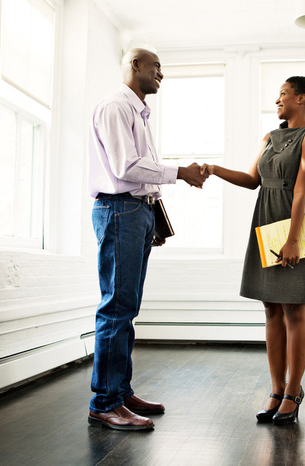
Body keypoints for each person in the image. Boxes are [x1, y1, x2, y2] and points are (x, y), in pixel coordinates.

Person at [87, 48, 207, 431]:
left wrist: (152, 215)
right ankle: (104, 403)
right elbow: (126, 168)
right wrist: (181, 172)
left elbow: (139, 174)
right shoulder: (115, 107)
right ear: (135, 65)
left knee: (128, 309)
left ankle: (120, 392)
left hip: (135, 212)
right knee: (116, 309)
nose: (161, 74)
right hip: (120, 210)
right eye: (156, 66)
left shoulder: (136, 111)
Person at [201, 76, 305, 424]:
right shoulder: (270, 137)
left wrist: (293, 239)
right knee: (271, 308)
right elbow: (253, 179)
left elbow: (301, 191)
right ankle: (276, 388)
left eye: (283, 94)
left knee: (295, 310)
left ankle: (293, 391)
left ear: (301, 98)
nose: (277, 101)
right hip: (265, 219)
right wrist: (215, 169)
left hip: (293, 223)